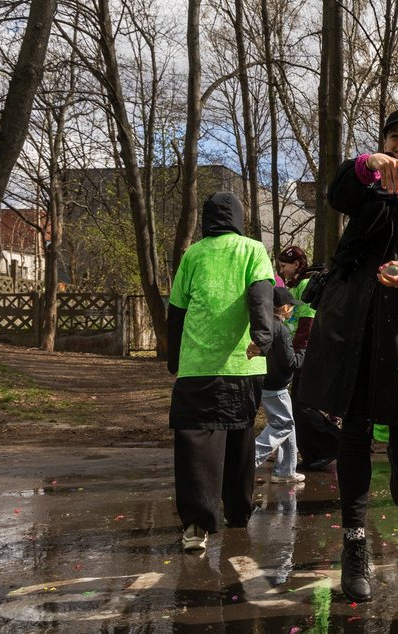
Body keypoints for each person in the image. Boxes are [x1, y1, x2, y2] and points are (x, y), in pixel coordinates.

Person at [297, 106, 398, 602]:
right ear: (384, 142)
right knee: (356, 429)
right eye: (396, 136)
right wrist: (368, 166)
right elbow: (336, 192)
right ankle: (355, 546)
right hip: (351, 324)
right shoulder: (365, 181)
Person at [167, 192, 275, 552]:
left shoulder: (193, 255)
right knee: (239, 436)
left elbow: (177, 311)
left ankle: (197, 526)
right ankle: (239, 512)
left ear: (206, 220)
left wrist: (173, 357)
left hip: (197, 364)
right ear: (240, 218)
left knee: (196, 443)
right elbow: (261, 294)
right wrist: (263, 336)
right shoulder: (252, 249)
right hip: (243, 363)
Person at [276, 246, 340, 472]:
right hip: (304, 352)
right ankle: (317, 451)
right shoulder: (298, 285)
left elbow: (307, 322)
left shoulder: (305, 284)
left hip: (309, 354)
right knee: (300, 404)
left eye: (284, 266)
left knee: (301, 404)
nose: (282, 271)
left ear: (296, 264)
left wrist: (298, 353)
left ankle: (332, 443)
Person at [249, 286, 306, 484]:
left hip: (266, 382)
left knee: (289, 426)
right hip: (276, 386)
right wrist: (306, 353)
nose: (292, 310)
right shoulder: (279, 329)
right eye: (291, 306)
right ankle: (248, 461)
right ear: (284, 308)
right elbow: (290, 362)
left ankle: (285, 471)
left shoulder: (263, 325)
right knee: (282, 425)